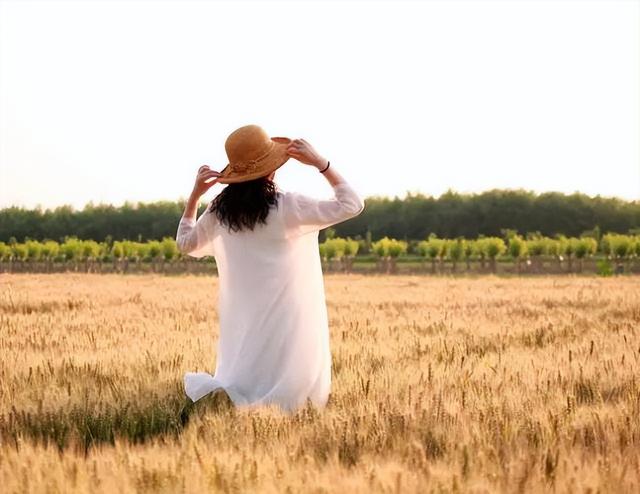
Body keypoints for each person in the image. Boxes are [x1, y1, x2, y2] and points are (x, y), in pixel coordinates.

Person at [175, 124, 365, 414]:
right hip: (287, 313)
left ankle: (245, 412)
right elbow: (352, 204)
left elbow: (186, 243)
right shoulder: (287, 205)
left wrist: (194, 196)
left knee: (248, 379)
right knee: (290, 390)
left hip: (245, 314)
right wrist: (321, 164)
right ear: (271, 170)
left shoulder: (219, 211)